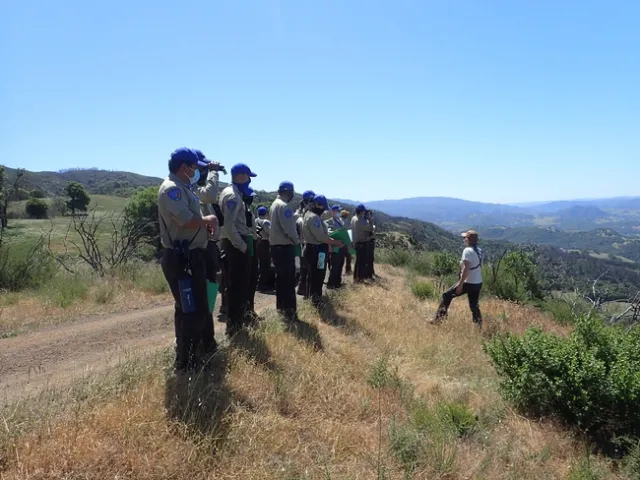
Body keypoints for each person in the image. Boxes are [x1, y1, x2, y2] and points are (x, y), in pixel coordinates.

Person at [157, 147, 219, 372]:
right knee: (193, 310)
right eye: (194, 168)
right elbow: (185, 220)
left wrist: (204, 228)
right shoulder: (171, 190)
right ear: (184, 167)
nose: (196, 172)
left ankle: (187, 356)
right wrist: (207, 220)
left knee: (191, 308)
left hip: (192, 256)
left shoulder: (185, 188)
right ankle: (187, 362)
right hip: (182, 258)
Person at [192, 149, 225, 352]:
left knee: (209, 295)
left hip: (210, 248)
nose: (204, 173)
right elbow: (211, 195)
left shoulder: (198, 191)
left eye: (206, 169)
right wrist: (214, 172)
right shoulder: (192, 190)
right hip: (199, 250)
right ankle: (200, 342)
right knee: (199, 299)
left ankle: (208, 339)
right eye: (202, 169)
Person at [218, 163, 257, 337]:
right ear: (240, 176)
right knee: (237, 289)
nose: (249, 181)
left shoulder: (232, 193)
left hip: (234, 244)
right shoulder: (233, 196)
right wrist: (242, 246)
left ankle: (236, 325)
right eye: (248, 177)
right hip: (235, 245)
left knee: (236, 287)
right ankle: (234, 329)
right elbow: (228, 226)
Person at [432, 230, 484, 328]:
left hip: (468, 282)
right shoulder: (480, 251)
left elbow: (466, 269)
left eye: (465, 238)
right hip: (478, 282)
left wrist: (460, 284)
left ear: (468, 240)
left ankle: (438, 319)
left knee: (446, 295)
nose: (463, 240)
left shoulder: (467, 251)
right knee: (474, 305)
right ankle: (478, 325)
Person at [302, 195, 343, 307]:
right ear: (316, 204)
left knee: (312, 275)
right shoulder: (314, 217)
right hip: (317, 250)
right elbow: (320, 237)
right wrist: (335, 242)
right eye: (322, 207)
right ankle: (316, 301)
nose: (323, 210)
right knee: (318, 276)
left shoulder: (308, 214)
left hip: (313, 249)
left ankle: (310, 298)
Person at [269, 181, 300, 321]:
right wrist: (296, 241)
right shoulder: (284, 206)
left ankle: (281, 310)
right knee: (288, 281)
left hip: (276, 248)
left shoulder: (275, 204)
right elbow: (289, 229)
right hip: (285, 248)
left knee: (281, 281)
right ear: (289, 192)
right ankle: (290, 313)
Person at [242, 186, 260, 323]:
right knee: (248, 280)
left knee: (251, 280)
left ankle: (250, 310)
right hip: (247, 245)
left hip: (251, 244)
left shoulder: (247, 209)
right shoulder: (242, 209)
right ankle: (247, 312)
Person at [296, 190, 316, 296]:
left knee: (304, 268)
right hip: (307, 243)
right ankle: (307, 291)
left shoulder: (299, 213)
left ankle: (302, 289)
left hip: (302, 243)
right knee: (309, 269)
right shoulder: (306, 215)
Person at [351, 204, 374, 283]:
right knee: (362, 262)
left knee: (358, 262)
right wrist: (370, 219)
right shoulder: (359, 221)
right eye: (364, 211)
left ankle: (355, 277)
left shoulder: (353, 218)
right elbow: (370, 228)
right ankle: (359, 279)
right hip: (361, 243)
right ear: (361, 212)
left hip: (356, 242)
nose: (365, 213)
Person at [325, 205, 346, 289]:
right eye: (337, 211)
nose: (338, 213)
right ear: (333, 211)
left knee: (340, 265)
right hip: (334, 246)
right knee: (334, 266)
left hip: (342, 246)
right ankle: (331, 284)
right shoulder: (328, 222)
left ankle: (338, 282)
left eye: (339, 211)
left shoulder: (340, 221)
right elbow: (328, 233)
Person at [255, 206, 275, 291]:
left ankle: (258, 282)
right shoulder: (266, 222)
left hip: (257, 243)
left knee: (259, 264)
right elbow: (271, 233)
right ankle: (262, 284)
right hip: (265, 243)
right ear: (266, 213)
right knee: (265, 264)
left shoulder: (255, 220)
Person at [341, 209, 352, 274]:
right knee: (348, 256)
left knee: (343, 256)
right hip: (346, 240)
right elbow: (349, 229)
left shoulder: (339, 221)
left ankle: (344, 269)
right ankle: (348, 269)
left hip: (342, 240)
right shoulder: (346, 221)